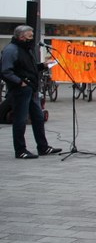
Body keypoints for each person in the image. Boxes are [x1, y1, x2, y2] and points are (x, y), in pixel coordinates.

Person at [0, 25, 62, 159]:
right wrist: (19, 82)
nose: (32, 39)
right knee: (20, 120)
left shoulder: (27, 49)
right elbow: (5, 71)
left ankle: (43, 147)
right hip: (20, 90)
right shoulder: (11, 50)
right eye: (30, 36)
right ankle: (20, 150)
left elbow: (29, 68)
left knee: (38, 118)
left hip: (31, 89)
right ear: (21, 37)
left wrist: (42, 66)